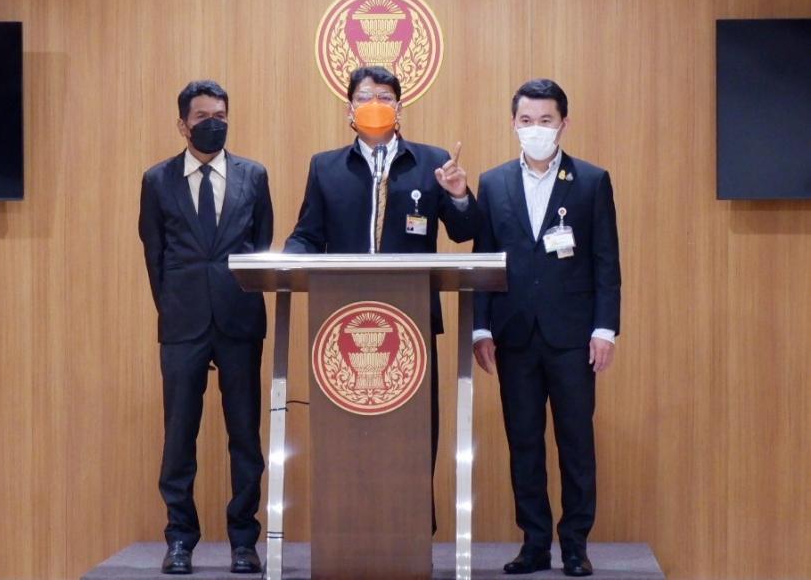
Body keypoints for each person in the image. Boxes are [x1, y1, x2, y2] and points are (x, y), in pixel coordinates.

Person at [284, 65, 481, 530]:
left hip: (411, 321)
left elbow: (466, 231)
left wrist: (458, 195)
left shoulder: (431, 163)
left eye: (385, 97)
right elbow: (308, 235)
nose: (376, 104)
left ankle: (411, 529)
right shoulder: (326, 167)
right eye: (365, 96)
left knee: (413, 430)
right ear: (349, 108)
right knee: (348, 432)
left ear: (400, 106)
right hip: (343, 322)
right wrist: (288, 260)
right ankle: (346, 527)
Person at [472, 79, 621, 577]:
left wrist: (605, 329)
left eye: (545, 120)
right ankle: (534, 543)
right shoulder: (494, 183)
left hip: (573, 337)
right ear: (514, 124)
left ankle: (575, 544)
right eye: (526, 120)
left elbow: (606, 261)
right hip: (514, 335)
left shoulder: (591, 181)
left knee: (576, 443)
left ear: (563, 124)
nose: (535, 128)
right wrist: (479, 328)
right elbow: (484, 261)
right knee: (524, 442)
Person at [138, 80, 272, 575]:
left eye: (220, 115)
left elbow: (261, 248)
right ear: (183, 124)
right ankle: (180, 539)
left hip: (240, 320)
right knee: (179, 437)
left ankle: (244, 541)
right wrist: (174, 309)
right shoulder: (157, 180)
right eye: (202, 116)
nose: (213, 123)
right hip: (182, 323)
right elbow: (154, 255)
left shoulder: (253, 176)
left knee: (245, 436)